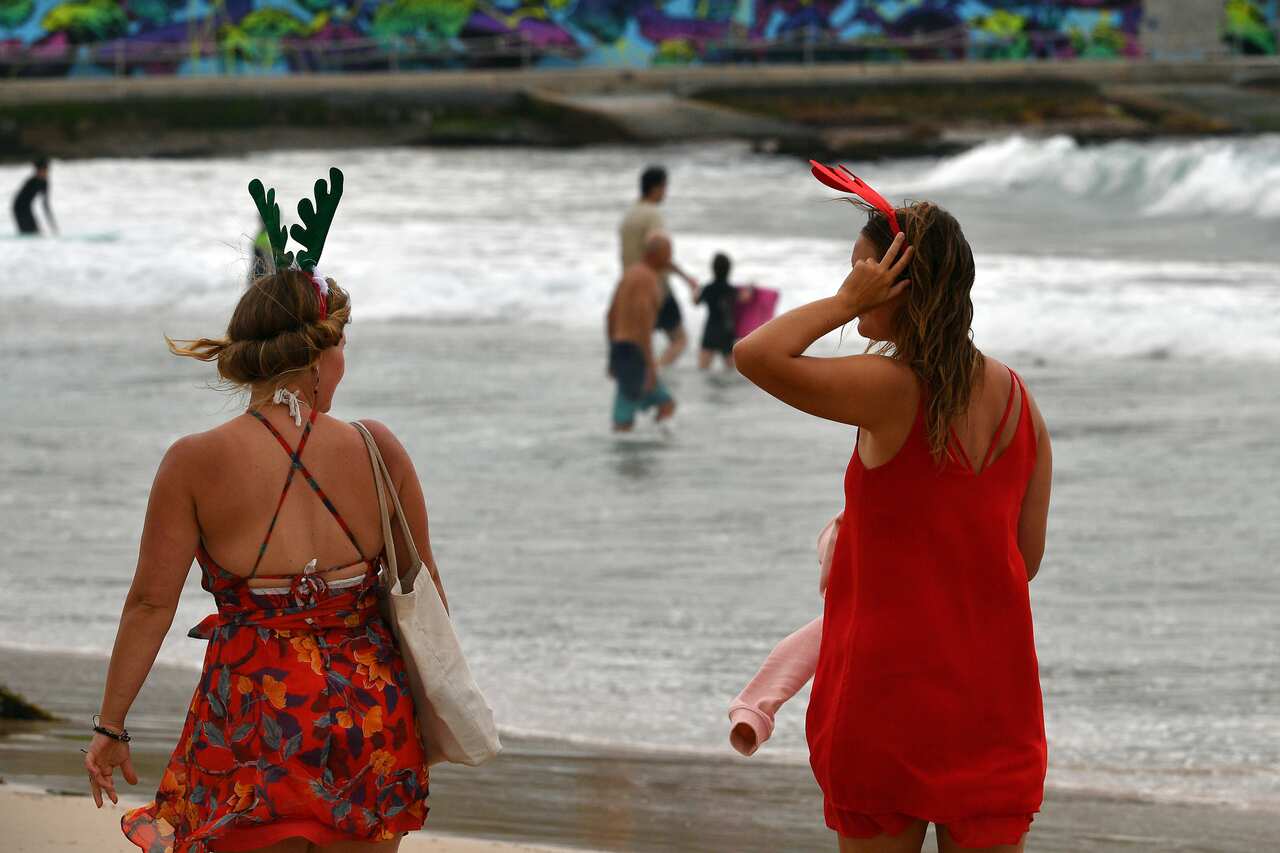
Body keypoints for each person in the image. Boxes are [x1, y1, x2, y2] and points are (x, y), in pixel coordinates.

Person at [84, 172, 440, 852]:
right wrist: (429, 721)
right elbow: (427, 600)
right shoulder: (377, 448)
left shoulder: (192, 461)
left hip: (253, 719)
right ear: (318, 354)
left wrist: (111, 726)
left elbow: (150, 604)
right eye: (342, 348)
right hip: (367, 721)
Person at [735, 184, 1053, 852]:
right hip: (993, 702)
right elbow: (1025, 559)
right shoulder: (1020, 401)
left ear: (896, 280)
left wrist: (845, 307)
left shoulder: (888, 387)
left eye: (862, 268)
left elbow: (756, 355)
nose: (852, 280)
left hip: (887, 695)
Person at [618, 165, 697, 367]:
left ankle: (644, 378)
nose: (665, 192)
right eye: (664, 187)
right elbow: (658, 252)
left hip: (630, 287)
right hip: (655, 286)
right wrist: (686, 278)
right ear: (656, 188)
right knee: (679, 340)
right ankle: (656, 376)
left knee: (641, 340)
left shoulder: (630, 215)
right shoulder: (653, 215)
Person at [607, 232, 677, 431]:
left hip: (621, 348)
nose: (670, 259)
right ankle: (631, 457)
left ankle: (645, 454)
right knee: (624, 419)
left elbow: (610, 316)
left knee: (665, 405)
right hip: (634, 353)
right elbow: (643, 325)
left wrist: (611, 356)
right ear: (656, 254)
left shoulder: (631, 273)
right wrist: (651, 367)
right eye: (668, 254)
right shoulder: (647, 279)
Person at [694, 252, 751, 371]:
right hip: (726, 331)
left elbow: (696, 301)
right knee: (731, 370)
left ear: (713, 269)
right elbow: (745, 299)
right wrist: (751, 289)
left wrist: (694, 288)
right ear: (729, 269)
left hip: (710, 330)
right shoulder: (731, 290)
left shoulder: (708, 288)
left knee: (702, 368)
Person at [12, 156, 57, 236]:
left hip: (27, 207)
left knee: (36, 232)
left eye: (46, 171)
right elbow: (19, 200)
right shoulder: (31, 181)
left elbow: (45, 204)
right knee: (29, 233)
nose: (45, 173)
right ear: (37, 171)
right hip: (18, 207)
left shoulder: (45, 183)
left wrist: (52, 224)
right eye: (42, 171)